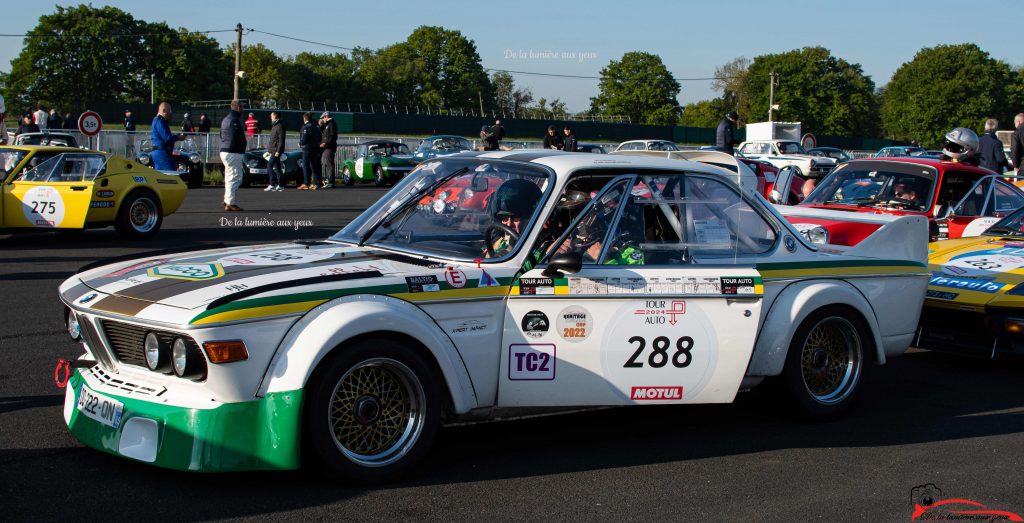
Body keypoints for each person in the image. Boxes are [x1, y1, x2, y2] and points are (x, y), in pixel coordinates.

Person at [487, 179, 543, 257]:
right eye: (504, 218)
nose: (509, 224)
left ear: (532, 217)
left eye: (515, 219)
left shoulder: (543, 249)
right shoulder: (498, 241)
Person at [220, 100, 247, 211]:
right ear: (238, 108)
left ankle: (227, 200)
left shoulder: (226, 119)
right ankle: (230, 202)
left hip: (225, 150)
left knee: (229, 177)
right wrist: (243, 146)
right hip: (233, 152)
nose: (243, 109)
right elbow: (237, 137)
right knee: (236, 177)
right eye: (242, 107)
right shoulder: (234, 120)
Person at [149, 102, 182, 172]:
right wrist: (178, 137)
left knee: (160, 178)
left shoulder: (158, 120)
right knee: (172, 176)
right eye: (169, 110)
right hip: (162, 153)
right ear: (164, 110)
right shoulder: (159, 121)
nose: (171, 113)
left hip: (159, 152)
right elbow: (167, 138)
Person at [297, 112, 321, 190]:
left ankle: (306, 183)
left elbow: (304, 138)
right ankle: (315, 183)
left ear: (304, 118)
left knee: (305, 165)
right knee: (314, 166)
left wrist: (300, 143)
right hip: (315, 148)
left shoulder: (306, 127)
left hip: (307, 148)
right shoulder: (316, 126)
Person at [266, 111, 286, 192]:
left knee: (269, 165)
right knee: (277, 167)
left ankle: (272, 184)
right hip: (273, 150)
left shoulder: (280, 126)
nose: (270, 117)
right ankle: (281, 185)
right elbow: (273, 139)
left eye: (272, 116)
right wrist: (269, 150)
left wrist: (278, 150)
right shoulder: (275, 126)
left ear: (275, 116)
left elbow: (281, 140)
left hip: (276, 150)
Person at [319, 111, 338, 188]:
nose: (322, 119)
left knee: (329, 164)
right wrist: (320, 125)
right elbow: (322, 132)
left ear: (326, 117)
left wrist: (326, 143)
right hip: (326, 147)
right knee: (325, 163)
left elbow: (333, 136)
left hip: (329, 147)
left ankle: (331, 181)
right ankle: (328, 180)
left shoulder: (331, 124)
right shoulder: (327, 124)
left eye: (323, 118)